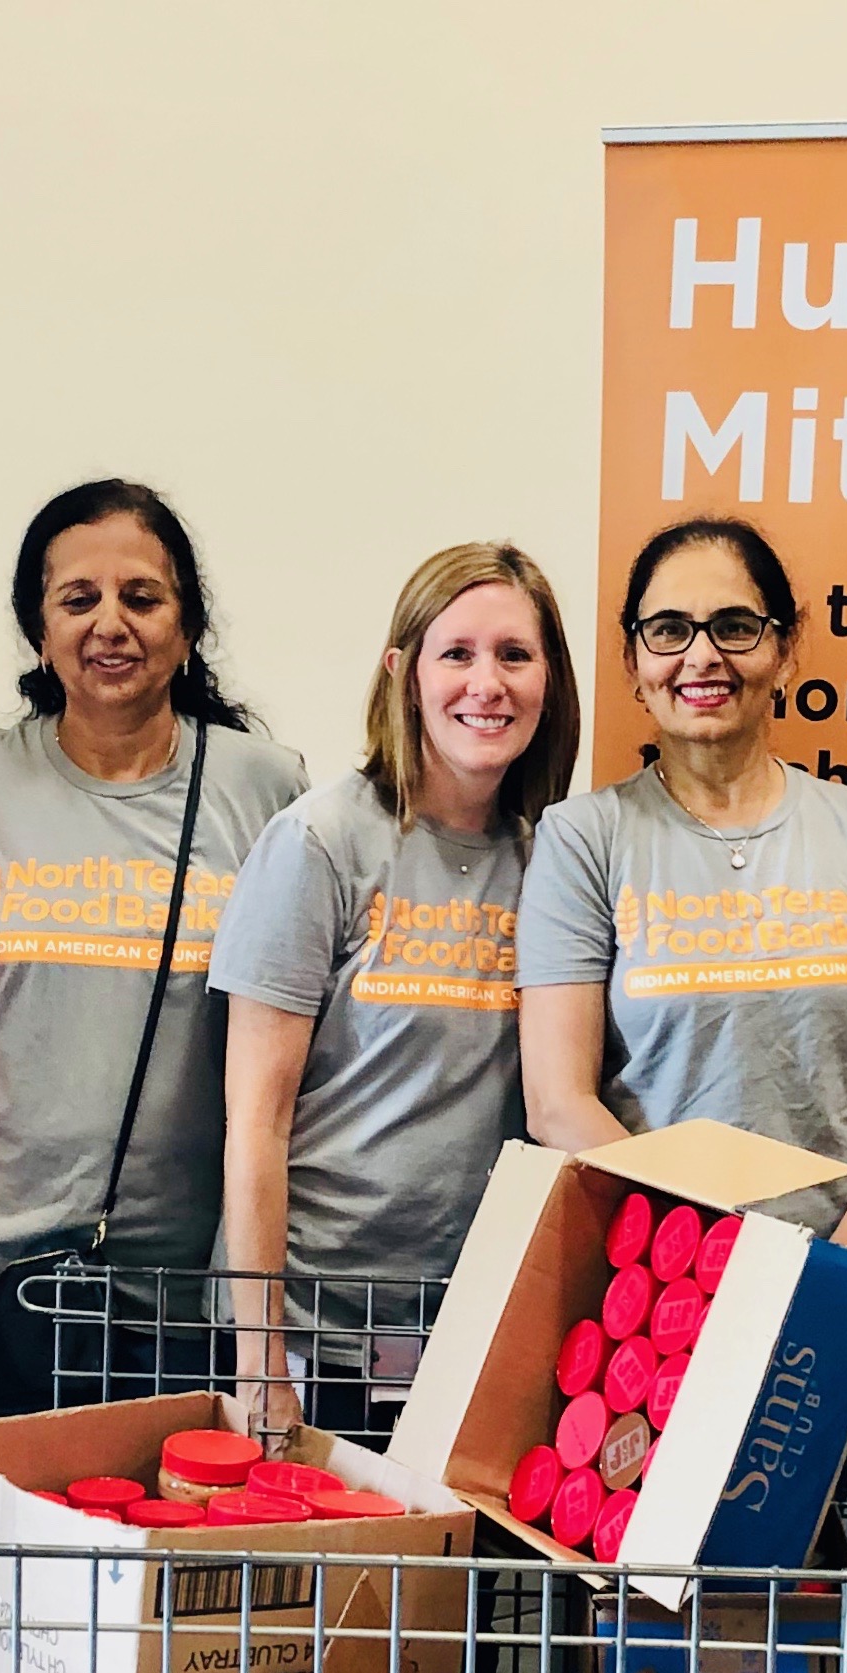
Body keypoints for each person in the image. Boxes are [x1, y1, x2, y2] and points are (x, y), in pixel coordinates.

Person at [0, 480, 308, 1415]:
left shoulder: (265, 788)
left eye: (142, 597)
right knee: (18, 1549)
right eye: (78, 599)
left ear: (187, 623)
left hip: (194, 1270)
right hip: (12, 1257)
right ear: (39, 627)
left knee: (176, 1541)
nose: (111, 624)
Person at [209, 542, 579, 1439]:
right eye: (456, 653)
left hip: (466, 1330)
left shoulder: (552, 859)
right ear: (401, 673)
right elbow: (256, 1117)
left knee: (447, 1584)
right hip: (309, 1338)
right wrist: (262, 1368)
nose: (486, 683)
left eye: (515, 656)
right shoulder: (321, 842)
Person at [517, 517, 847, 1252]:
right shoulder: (583, 838)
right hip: (658, 1293)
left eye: (734, 626)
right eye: (668, 630)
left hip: (838, 1277)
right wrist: (702, 1255)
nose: (701, 656)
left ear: (785, 650)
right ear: (633, 660)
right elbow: (558, 1103)